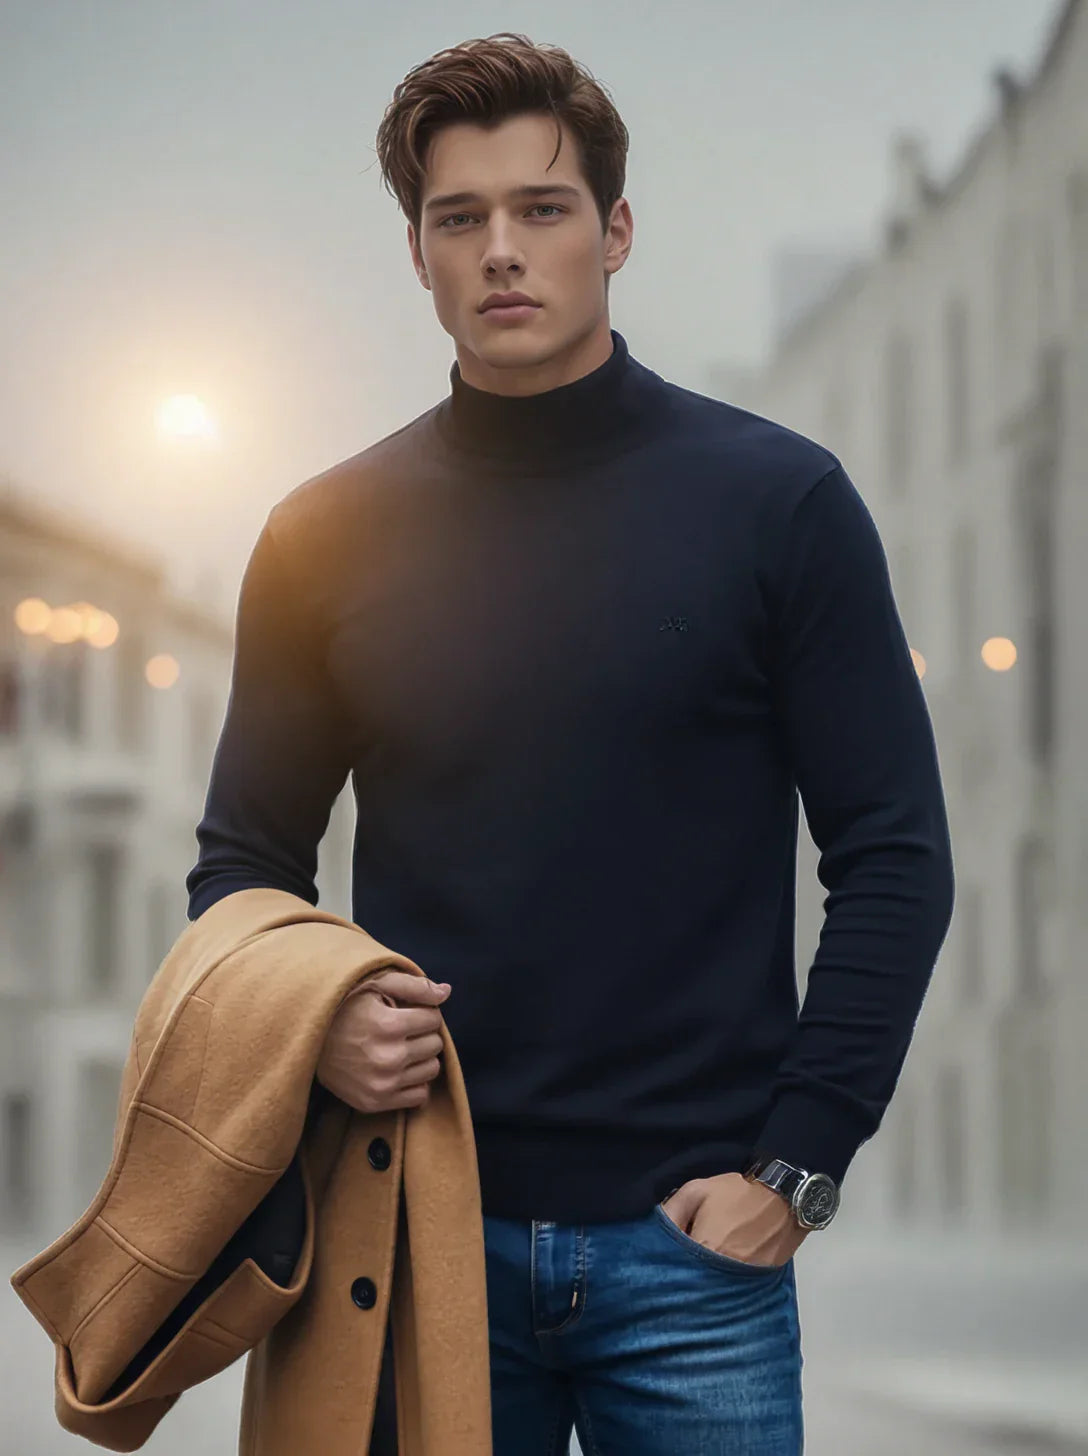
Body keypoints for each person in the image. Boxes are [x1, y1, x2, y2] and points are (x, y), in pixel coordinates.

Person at [186, 31, 955, 1456]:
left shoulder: (779, 505)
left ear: (614, 232)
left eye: (541, 210)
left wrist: (797, 1166)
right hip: (410, 1240)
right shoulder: (322, 536)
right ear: (415, 254)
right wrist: (312, 1022)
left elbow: (896, 857)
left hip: (693, 1261)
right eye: (457, 218)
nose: (500, 252)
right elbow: (243, 867)